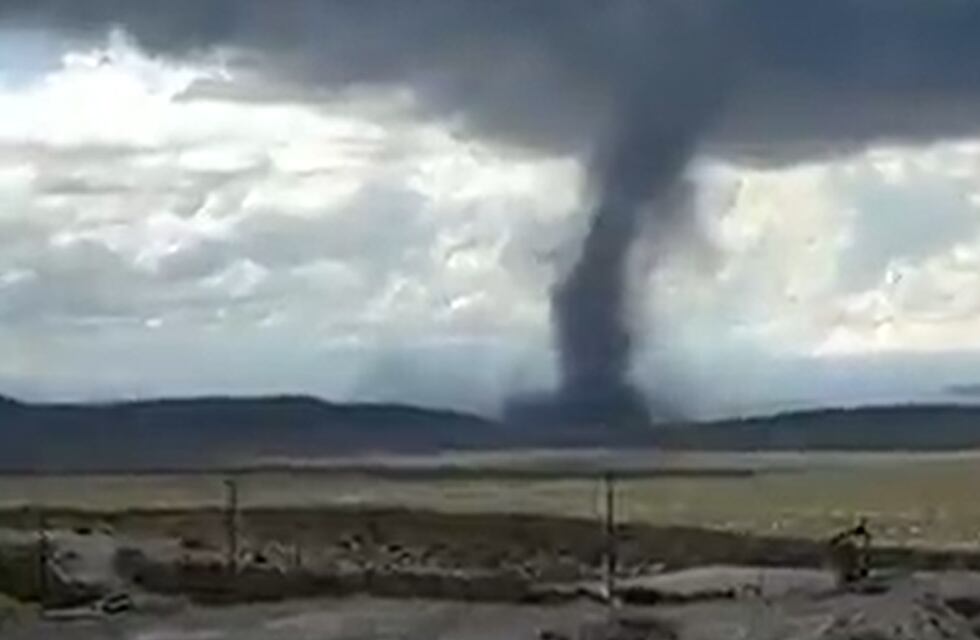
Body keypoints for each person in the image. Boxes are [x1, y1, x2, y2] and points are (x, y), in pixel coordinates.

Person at [828, 517, 872, 586]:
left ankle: (858, 582)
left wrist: (867, 556)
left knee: (862, 567)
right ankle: (848, 581)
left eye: (863, 524)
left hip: (857, 552)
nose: (862, 526)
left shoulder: (866, 536)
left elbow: (866, 547)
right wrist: (835, 541)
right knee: (854, 566)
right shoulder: (852, 533)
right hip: (851, 551)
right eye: (861, 524)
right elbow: (842, 536)